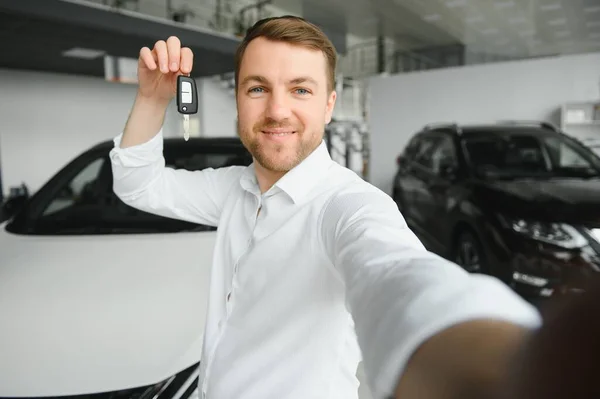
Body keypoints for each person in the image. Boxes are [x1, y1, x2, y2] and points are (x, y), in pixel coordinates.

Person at [110, 15, 542, 399]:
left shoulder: (349, 207)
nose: (278, 111)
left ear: (329, 105)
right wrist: (151, 99)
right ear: (239, 99)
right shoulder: (232, 188)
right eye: (258, 88)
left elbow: (396, 272)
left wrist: (483, 348)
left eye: (300, 89)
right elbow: (139, 184)